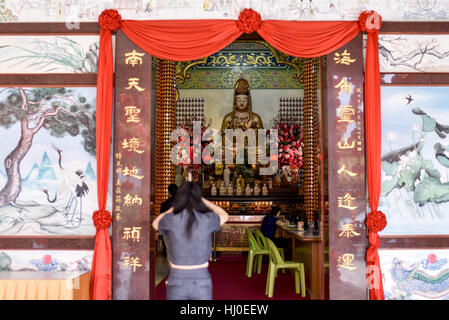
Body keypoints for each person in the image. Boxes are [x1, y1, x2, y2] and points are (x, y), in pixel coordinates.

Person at [152, 177, 229, 300]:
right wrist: (203, 201)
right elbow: (225, 215)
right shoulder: (206, 218)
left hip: (177, 277)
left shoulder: (172, 218)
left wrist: (174, 206)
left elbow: (155, 223)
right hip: (201, 277)